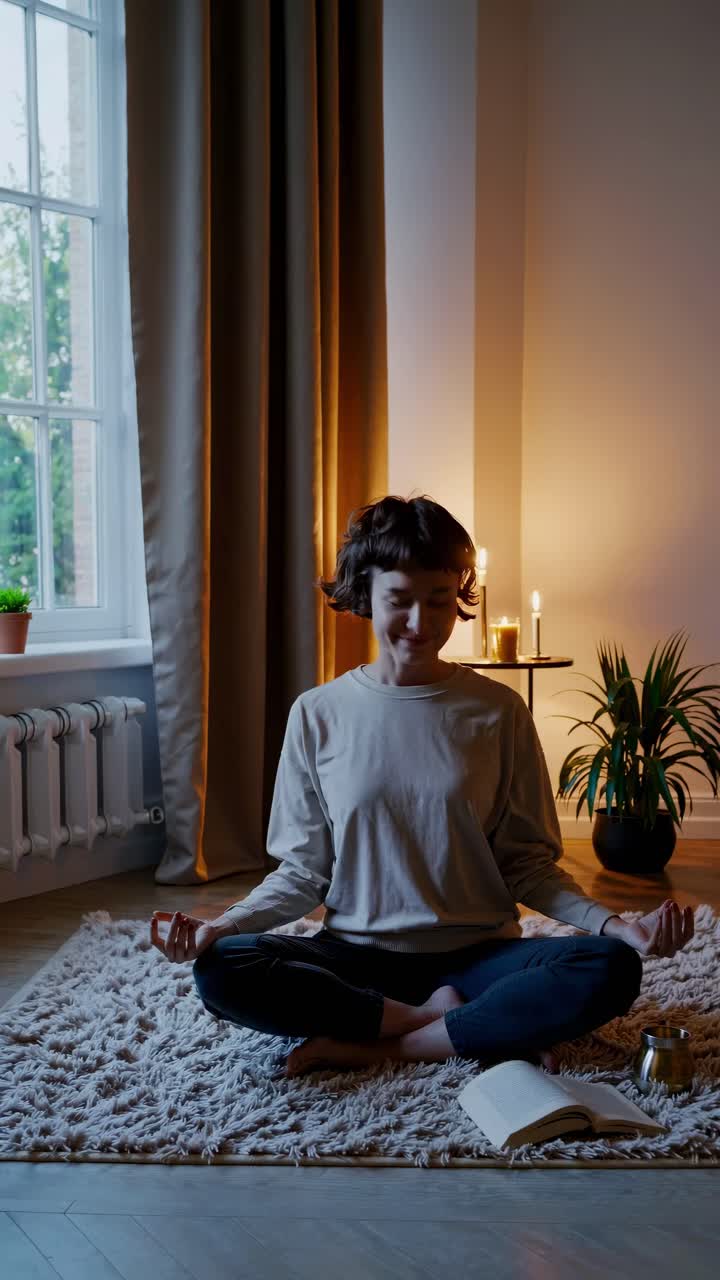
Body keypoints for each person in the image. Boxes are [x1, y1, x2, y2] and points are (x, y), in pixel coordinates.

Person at [150, 495, 694, 1078]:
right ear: (365, 594)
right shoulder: (317, 713)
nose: (420, 622)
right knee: (222, 967)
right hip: (355, 960)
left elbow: (528, 866)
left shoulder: (499, 712)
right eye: (399, 601)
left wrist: (617, 926)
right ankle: (453, 1026)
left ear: (459, 595)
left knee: (608, 966)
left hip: (480, 957)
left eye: (438, 600)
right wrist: (220, 927)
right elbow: (303, 872)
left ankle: (378, 1045)